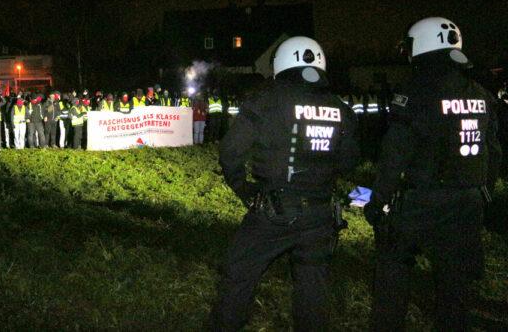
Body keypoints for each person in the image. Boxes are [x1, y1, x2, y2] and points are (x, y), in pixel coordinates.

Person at [211, 36, 359, 331]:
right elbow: (349, 162)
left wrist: (243, 189)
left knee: (237, 272)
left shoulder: (265, 99)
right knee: (312, 284)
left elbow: (230, 151)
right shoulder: (341, 108)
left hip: (274, 212)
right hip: (321, 214)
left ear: (281, 64)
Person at [364, 17, 502, 331]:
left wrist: (378, 203)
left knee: (392, 266)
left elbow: (393, 155)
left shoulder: (414, 93)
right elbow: (493, 153)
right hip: (467, 203)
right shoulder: (481, 93)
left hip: (420, 201)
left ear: (423, 45)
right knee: (455, 284)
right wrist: (483, 191)